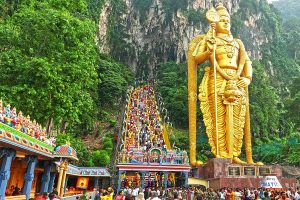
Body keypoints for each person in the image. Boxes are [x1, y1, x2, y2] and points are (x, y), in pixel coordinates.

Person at [188, 2, 261, 165]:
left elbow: (247, 62)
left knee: (237, 119)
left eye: (228, 19)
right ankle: (220, 153)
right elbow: (196, 59)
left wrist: (247, 78)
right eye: (222, 20)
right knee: (218, 118)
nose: (226, 22)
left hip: (236, 81)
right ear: (215, 23)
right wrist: (209, 51)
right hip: (217, 80)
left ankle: (235, 154)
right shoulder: (210, 40)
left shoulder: (237, 43)